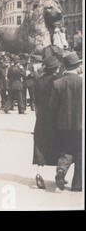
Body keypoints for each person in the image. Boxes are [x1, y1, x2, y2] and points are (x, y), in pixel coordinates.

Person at [50, 52, 82, 192]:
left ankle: (61, 171)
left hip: (63, 124)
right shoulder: (82, 82)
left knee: (66, 149)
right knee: (81, 152)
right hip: (82, 124)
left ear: (65, 66)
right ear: (78, 66)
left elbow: (52, 106)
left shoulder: (57, 83)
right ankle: (77, 184)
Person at [32, 56, 61, 189]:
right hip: (55, 117)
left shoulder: (38, 81)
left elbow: (35, 101)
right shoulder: (57, 80)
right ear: (56, 68)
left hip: (42, 116)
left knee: (40, 143)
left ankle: (39, 173)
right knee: (58, 144)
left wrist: (38, 113)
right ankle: (60, 173)